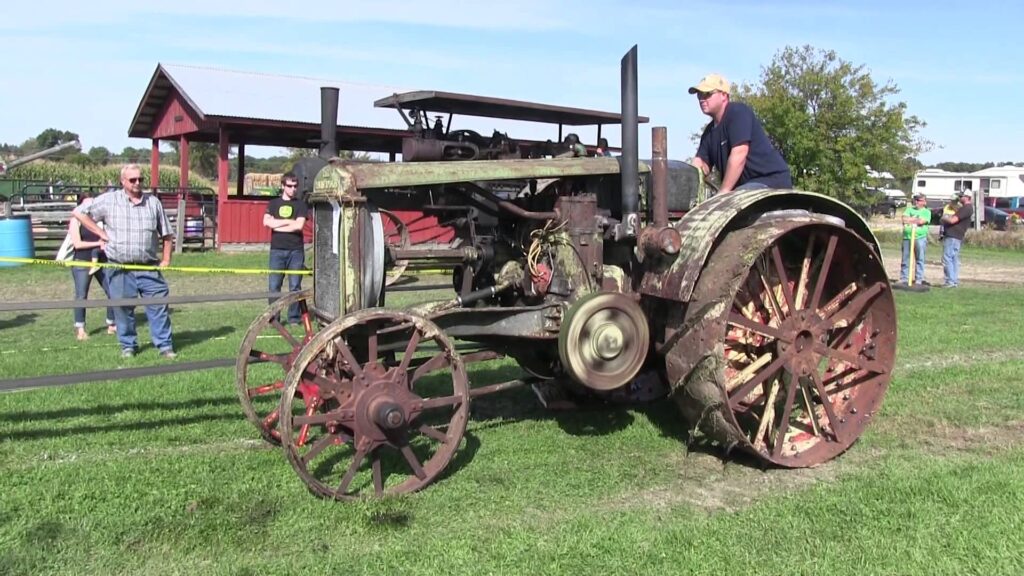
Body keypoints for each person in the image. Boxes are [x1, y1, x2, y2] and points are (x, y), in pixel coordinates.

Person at [75, 164, 177, 359]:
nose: (138, 183)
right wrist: (100, 233)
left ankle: (165, 346)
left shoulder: (153, 202)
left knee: (158, 306)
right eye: (133, 180)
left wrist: (166, 259)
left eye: (140, 179)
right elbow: (79, 213)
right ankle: (128, 346)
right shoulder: (109, 200)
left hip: (148, 267)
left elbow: (167, 234)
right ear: (123, 181)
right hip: (119, 267)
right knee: (122, 309)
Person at [688, 73, 792, 193]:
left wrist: (724, 192)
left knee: (727, 202)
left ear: (723, 95)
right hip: (745, 187)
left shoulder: (738, 113)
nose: (702, 99)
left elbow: (739, 154)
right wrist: (687, 173)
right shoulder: (709, 133)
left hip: (769, 181)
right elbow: (701, 165)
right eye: (699, 95)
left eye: (707, 94)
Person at [69, 195, 116, 340]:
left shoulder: (100, 220)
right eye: (87, 202)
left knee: (112, 290)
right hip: (82, 261)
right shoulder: (75, 221)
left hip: (102, 260)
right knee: (81, 295)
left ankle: (112, 324)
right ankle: (80, 329)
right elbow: (77, 244)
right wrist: (97, 243)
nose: (91, 204)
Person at [264, 172, 309, 324]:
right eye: (289, 186)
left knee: (295, 286)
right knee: (274, 285)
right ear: (283, 186)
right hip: (277, 250)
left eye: (295, 186)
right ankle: (273, 319)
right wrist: (290, 222)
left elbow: (299, 226)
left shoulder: (301, 205)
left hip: (296, 251)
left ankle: (294, 319)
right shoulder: (273, 204)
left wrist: (278, 223)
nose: (293, 189)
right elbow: (267, 223)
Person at [940, 190, 974, 288]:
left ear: (967, 197)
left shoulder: (966, 208)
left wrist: (944, 217)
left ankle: (949, 281)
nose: (959, 198)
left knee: (947, 258)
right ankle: (953, 281)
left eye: (961, 196)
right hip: (956, 236)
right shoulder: (964, 208)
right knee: (953, 258)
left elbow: (952, 220)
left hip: (953, 236)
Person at [899, 193, 931, 286]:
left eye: (919, 200)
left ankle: (918, 279)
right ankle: (904, 278)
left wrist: (911, 219)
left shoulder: (926, 212)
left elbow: (922, 221)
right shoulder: (909, 209)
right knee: (905, 258)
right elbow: (904, 219)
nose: (916, 202)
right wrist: (915, 220)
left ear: (924, 202)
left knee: (920, 259)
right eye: (916, 200)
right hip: (907, 237)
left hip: (920, 238)